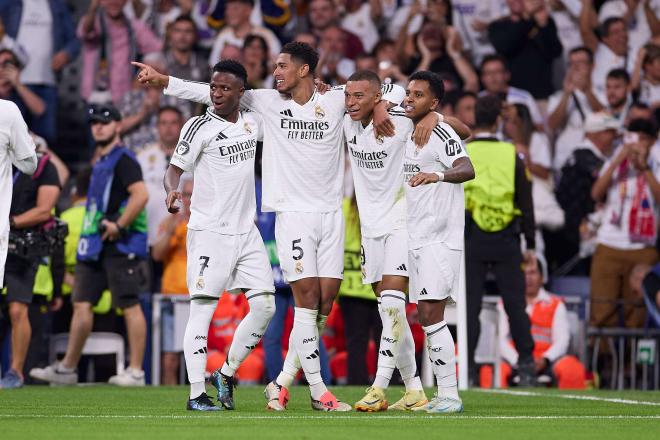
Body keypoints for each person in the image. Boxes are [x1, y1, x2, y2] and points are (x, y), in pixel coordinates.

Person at [134, 41, 421, 412]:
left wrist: (381, 103)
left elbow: (392, 89)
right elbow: (215, 92)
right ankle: (319, 393)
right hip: (292, 215)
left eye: (282, 66)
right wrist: (164, 81)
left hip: (331, 214)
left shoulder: (336, 99)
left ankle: (279, 382)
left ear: (304, 70)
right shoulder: (266, 103)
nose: (275, 72)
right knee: (305, 302)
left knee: (324, 304)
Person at [342, 69, 471, 411]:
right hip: (371, 231)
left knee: (396, 305)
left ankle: (380, 386)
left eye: (359, 97)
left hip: (407, 224)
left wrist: (434, 115)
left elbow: (464, 136)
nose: (351, 102)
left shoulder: (407, 120)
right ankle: (414, 388)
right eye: (348, 97)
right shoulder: (347, 122)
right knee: (390, 313)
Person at [162, 60, 276, 411]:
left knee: (265, 306)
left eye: (225, 88)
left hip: (246, 231)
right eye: (213, 87)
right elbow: (174, 170)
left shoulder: (252, 124)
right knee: (202, 312)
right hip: (209, 231)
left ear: (241, 93)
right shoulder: (197, 126)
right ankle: (196, 393)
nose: (216, 93)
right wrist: (173, 190)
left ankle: (225, 373)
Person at [29, 103, 150, 386]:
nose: (98, 127)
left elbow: (141, 195)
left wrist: (119, 224)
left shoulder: (124, 159)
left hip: (119, 244)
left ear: (118, 126)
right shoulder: (100, 161)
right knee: (81, 303)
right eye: (94, 122)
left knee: (130, 306)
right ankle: (68, 368)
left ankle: (136, 371)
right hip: (94, 244)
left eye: (105, 122)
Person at [403, 70, 475, 413]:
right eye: (408, 92)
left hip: (440, 237)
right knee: (425, 313)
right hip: (418, 234)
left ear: (432, 102)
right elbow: (468, 130)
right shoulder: (412, 123)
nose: (408, 99)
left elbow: (467, 167)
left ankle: (449, 394)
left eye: (418, 95)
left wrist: (438, 174)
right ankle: (444, 393)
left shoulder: (440, 131)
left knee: (432, 312)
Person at [463, 95, 536, 387]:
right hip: (507, 238)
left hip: (472, 236)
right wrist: (530, 243)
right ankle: (527, 364)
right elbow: (526, 201)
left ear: (475, 119)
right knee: (515, 305)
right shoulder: (512, 154)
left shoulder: (463, 151)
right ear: (497, 121)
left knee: (471, 307)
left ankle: (467, 369)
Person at [589, 118, 660, 329]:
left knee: (637, 314)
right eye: (633, 137)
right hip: (609, 243)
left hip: (643, 247)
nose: (637, 144)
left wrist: (645, 169)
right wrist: (618, 160)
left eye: (643, 139)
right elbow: (596, 193)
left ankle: (633, 363)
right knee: (602, 311)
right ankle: (602, 361)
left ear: (653, 141)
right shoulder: (615, 157)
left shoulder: (656, 163)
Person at [497, 260, 587, 389]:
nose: (528, 278)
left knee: (572, 369)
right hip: (514, 360)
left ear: (542, 277)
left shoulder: (555, 304)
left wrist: (545, 359)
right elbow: (501, 340)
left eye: (532, 272)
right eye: (524, 273)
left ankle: (572, 409)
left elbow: (562, 340)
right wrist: (519, 361)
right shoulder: (505, 303)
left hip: (548, 361)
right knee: (491, 372)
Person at [0, 0, 80, 144]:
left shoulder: (57, 5)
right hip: (13, 83)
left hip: (46, 82)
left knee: (44, 140)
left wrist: (65, 54)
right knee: (11, 138)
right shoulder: (10, 3)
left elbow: (75, 41)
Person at [0, 99, 38, 387]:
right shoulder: (8, 112)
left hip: (17, 237)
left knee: (17, 309)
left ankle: (15, 370)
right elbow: (28, 162)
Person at [77, 0, 162, 104]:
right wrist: (93, 8)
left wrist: (139, 80)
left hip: (123, 97)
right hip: (93, 95)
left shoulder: (134, 27)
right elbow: (86, 31)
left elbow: (157, 49)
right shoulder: (94, 23)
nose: (114, 2)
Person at [151, 177, 192, 385]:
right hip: (173, 298)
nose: (190, 200)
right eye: (187, 195)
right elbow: (157, 255)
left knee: (208, 356)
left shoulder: (209, 224)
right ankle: (169, 405)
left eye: (194, 194)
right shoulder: (170, 223)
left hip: (200, 298)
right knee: (169, 359)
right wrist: (172, 227)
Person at [488, 0, 562, 101]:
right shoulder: (497, 26)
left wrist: (543, 26)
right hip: (512, 98)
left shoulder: (542, 21)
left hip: (542, 96)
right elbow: (506, 46)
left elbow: (555, 52)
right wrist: (526, 18)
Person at [548, 46, 604, 171]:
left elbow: (607, 120)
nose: (575, 67)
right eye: (571, 63)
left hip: (594, 162)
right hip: (565, 160)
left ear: (592, 66)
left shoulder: (603, 95)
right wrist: (566, 94)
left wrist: (587, 91)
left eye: (581, 63)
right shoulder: (557, 97)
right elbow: (552, 125)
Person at [579, 9, 631, 104]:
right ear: (605, 39)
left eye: (624, 30)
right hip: (593, 104)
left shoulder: (636, 53)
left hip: (621, 107)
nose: (622, 35)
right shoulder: (600, 50)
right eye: (616, 32)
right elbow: (585, 30)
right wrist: (586, 4)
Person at [478, 55, 544, 128]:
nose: (493, 77)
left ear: (507, 75)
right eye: (488, 73)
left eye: (497, 72)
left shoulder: (524, 97)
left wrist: (516, 117)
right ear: (482, 78)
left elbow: (539, 126)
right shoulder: (477, 99)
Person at [208, 0, 280, 66]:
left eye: (235, 8)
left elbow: (278, 67)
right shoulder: (223, 35)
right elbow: (213, 66)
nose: (229, 12)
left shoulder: (266, 36)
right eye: (227, 8)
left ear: (248, 10)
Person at [0, 49, 45, 120]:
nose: (2, 69)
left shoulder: (20, 92)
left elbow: (40, 110)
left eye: (7, 64)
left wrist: (17, 84)